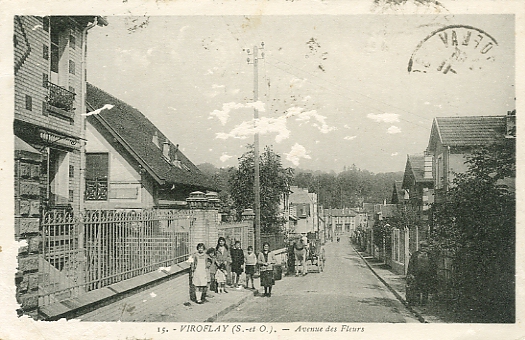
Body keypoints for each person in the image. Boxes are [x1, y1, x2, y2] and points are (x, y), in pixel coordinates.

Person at [406, 241, 437, 306]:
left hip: (427, 275)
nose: (423, 248)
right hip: (416, 275)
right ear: (420, 247)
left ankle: (424, 302)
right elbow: (411, 264)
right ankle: (416, 302)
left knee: (425, 289)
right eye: (422, 246)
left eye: (425, 246)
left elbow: (433, 266)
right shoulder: (415, 254)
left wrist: (433, 274)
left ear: (428, 247)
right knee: (416, 288)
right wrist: (410, 274)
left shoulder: (430, 255)